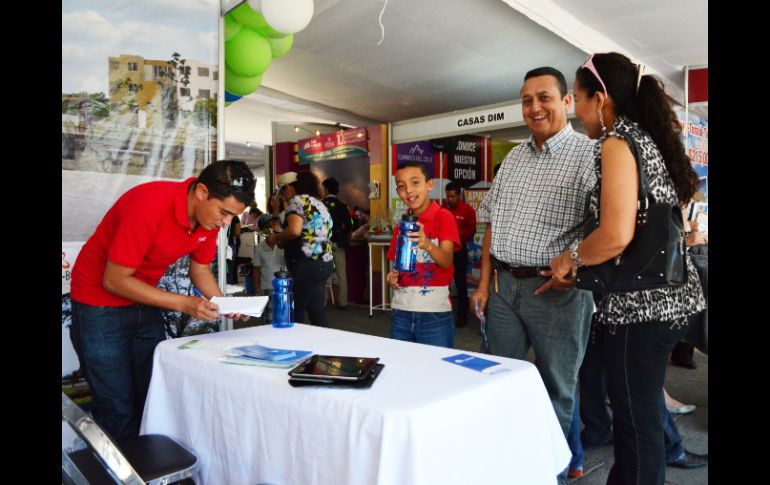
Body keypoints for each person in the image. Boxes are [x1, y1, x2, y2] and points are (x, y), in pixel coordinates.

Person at [547, 52, 706, 484]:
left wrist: (570, 258)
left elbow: (616, 234)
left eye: (577, 99)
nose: (575, 111)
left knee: (636, 425)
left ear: (600, 99)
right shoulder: (647, 138)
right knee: (643, 419)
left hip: (641, 310)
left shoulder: (618, 143)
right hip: (670, 301)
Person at [469, 66, 596, 483]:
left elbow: (608, 228)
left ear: (567, 102)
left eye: (544, 97)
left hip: (557, 294)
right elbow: (492, 225)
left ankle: (550, 474)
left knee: (558, 389)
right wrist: (486, 283)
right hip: (505, 287)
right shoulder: (512, 160)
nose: (534, 107)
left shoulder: (590, 154)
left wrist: (575, 266)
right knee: (501, 380)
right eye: (527, 100)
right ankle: (508, 469)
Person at [69, 160, 255, 439]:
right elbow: (114, 280)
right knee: (115, 404)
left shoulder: (209, 219)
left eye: (233, 217)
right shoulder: (149, 205)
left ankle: (152, 472)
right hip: (99, 304)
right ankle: (125, 477)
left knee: (152, 392)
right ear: (202, 192)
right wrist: (184, 303)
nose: (226, 223)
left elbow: (200, 269)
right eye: (225, 212)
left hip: (145, 298)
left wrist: (223, 302)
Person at [386, 161, 460, 347]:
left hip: (434, 313)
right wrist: (393, 277)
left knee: (437, 370)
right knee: (402, 368)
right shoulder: (401, 226)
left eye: (415, 182)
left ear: (429, 184)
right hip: (401, 311)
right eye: (402, 187)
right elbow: (397, 268)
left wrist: (427, 244)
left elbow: (447, 260)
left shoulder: (443, 217)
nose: (409, 191)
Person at [268, 171, 334, 326]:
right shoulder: (318, 203)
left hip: (306, 264)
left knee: (294, 312)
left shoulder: (296, 201)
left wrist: (275, 238)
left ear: (290, 188)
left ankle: (294, 348)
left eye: (283, 191)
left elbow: (294, 231)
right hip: (324, 263)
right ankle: (321, 348)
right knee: (317, 313)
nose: (283, 196)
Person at [441, 182, 476, 328]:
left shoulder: (467, 210)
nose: (449, 199)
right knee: (443, 285)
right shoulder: (442, 209)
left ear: (459, 195)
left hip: (460, 251)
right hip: (444, 252)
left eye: (452, 196)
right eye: (448, 196)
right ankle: (442, 316)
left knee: (461, 285)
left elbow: (472, 229)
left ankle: (462, 317)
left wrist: (456, 235)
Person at [322, 177, 353, 309]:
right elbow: (349, 224)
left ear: (326, 189)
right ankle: (343, 302)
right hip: (338, 242)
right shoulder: (342, 205)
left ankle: (322, 301)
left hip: (323, 243)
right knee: (341, 274)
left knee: (323, 273)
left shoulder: (321, 205)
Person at [253, 213, 286, 324]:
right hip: (267, 287)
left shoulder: (285, 245)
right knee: (269, 322)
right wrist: (257, 290)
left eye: (274, 225)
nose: (272, 228)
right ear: (264, 231)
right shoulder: (259, 249)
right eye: (269, 227)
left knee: (284, 319)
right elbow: (256, 269)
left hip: (284, 288)